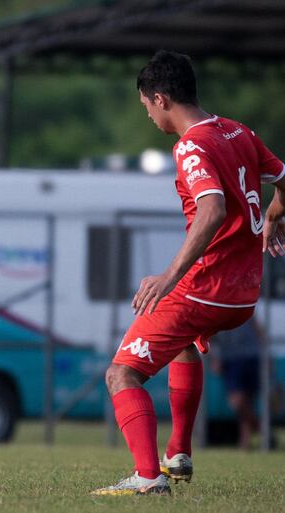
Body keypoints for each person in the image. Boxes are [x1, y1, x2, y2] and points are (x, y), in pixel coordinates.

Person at [92, 50, 285, 496]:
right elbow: (283, 180)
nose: (148, 117)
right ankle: (179, 450)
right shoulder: (239, 131)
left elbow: (212, 209)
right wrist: (275, 213)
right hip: (244, 295)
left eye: (145, 107)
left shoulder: (191, 145)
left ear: (160, 99)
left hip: (206, 287)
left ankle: (146, 477)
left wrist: (168, 276)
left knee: (121, 374)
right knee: (182, 347)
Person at [211, 318, 263, 450]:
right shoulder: (216, 306)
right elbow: (209, 336)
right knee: (237, 402)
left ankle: (244, 443)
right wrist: (215, 357)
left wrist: (266, 357)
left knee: (247, 402)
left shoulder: (245, 301)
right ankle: (260, 426)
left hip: (251, 356)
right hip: (230, 359)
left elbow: (258, 329)